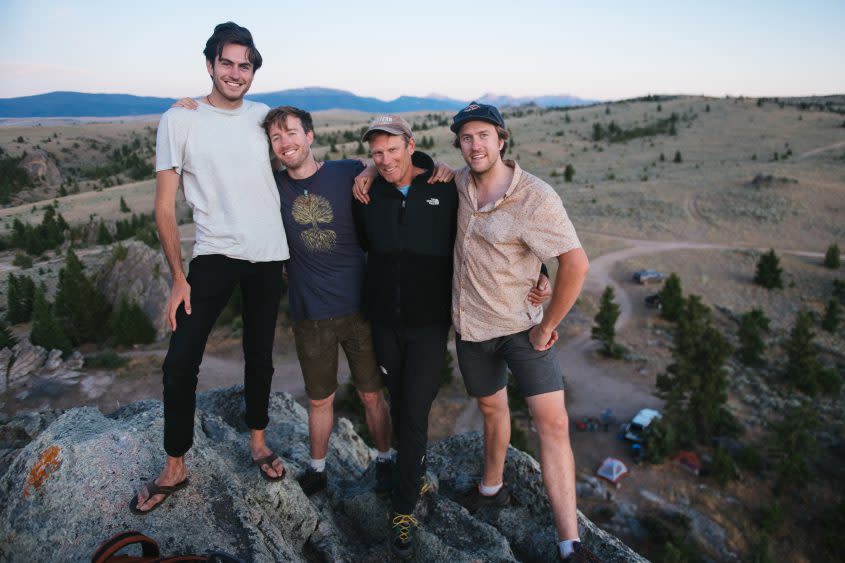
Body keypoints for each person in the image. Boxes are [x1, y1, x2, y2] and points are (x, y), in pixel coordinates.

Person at [131, 22, 289, 514]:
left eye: (245, 65)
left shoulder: (264, 117)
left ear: (253, 70)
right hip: (214, 255)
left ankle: (258, 440)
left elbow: (299, 160)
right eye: (227, 62)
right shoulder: (179, 120)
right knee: (181, 361)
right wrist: (179, 277)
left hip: (269, 255)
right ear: (210, 65)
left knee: (260, 353)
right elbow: (163, 205)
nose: (236, 73)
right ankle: (175, 466)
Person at [448, 102, 595, 562]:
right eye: (467, 138)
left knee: (553, 423)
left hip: (523, 330)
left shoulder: (535, 196)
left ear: (501, 139)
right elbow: (414, 165)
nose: (475, 145)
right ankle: (491, 489)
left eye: (483, 136)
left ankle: (570, 543)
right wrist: (367, 174)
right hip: (472, 328)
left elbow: (575, 262)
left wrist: (547, 323)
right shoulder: (456, 184)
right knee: (493, 411)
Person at [262, 105, 395, 496]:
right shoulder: (271, 186)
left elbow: (382, 167)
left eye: (291, 132)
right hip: (311, 314)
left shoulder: (346, 171)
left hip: (360, 309)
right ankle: (317, 470)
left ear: (310, 136)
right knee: (320, 399)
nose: (285, 142)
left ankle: (386, 459)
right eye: (276, 137)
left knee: (372, 393)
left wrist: (371, 169)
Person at [353, 115, 458, 560]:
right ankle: (412, 467)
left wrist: (541, 274)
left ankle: (402, 508)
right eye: (377, 154)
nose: (386, 160)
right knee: (399, 402)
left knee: (414, 411)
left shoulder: (444, 188)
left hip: (429, 324)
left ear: (411, 146)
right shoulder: (366, 193)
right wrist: (367, 173)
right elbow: (362, 245)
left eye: (393, 150)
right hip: (382, 320)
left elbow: (488, 232)